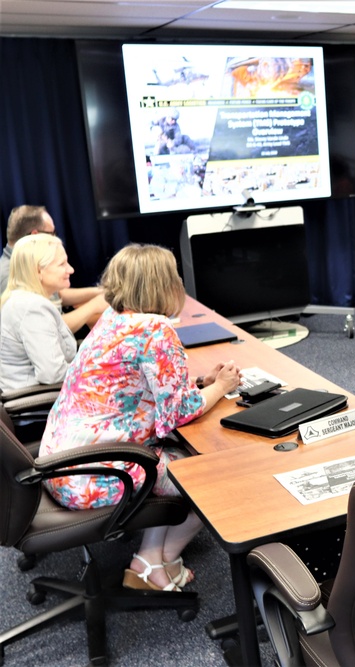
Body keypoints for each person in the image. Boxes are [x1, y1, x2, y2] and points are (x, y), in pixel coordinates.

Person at [38, 244, 241, 591]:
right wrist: (221, 386)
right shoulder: (155, 330)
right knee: (208, 473)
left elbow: (134, 388)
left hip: (58, 464)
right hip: (94, 475)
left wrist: (196, 385)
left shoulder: (112, 320)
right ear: (166, 284)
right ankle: (158, 561)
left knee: (168, 454)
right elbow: (177, 413)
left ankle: (149, 559)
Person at [1, 205, 107, 333]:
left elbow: (57, 294)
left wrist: (99, 292)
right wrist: (94, 306)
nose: (71, 270)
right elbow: (49, 328)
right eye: (52, 233)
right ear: (35, 235)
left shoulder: (27, 263)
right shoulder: (11, 274)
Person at [0, 235, 77, 391]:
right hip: (41, 406)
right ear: (38, 270)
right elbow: (52, 374)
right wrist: (95, 370)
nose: (71, 269)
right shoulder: (32, 308)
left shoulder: (23, 300)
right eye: (62, 264)